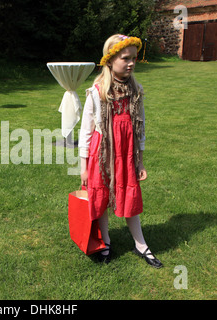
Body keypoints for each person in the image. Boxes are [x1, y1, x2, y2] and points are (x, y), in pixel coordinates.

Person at [79, 34, 163, 268]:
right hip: (102, 154)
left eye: (134, 58)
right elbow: (85, 132)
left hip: (126, 154)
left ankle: (140, 244)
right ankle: (105, 241)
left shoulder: (135, 91)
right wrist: (83, 167)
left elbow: (140, 128)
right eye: (125, 58)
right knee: (102, 196)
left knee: (129, 195)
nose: (131, 63)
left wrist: (141, 162)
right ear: (109, 60)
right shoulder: (97, 92)